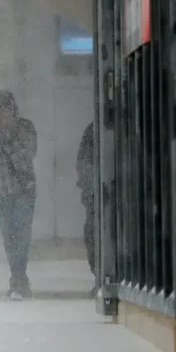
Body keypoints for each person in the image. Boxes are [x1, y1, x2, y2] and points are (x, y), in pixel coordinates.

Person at [0, 90, 38, 300]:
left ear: (12, 109)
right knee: (8, 237)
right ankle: (17, 278)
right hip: (1, 193)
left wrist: (8, 138)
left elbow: (27, 156)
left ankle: (19, 280)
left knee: (21, 236)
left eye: (2, 110)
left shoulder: (25, 128)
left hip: (23, 191)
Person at [76, 121, 95, 293]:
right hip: (96, 194)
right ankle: (100, 276)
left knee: (93, 234)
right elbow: (82, 163)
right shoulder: (93, 130)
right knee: (92, 234)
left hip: (97, 193)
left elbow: (82, 162)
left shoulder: (94, 130)